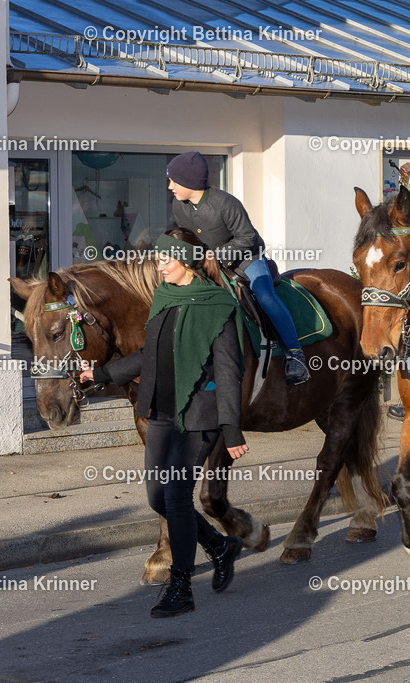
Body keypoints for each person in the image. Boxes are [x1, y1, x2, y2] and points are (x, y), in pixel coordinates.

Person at [80, 230, 248, 618]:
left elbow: (228, 370)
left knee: (175, 496)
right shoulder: (164, 297)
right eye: (157, 259)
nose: (158, 265)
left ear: (186, 261)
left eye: (165, 260)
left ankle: (182, 587)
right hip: (160, 412)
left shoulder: (218, 304)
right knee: (158, 497)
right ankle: (221, 547)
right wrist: (102, 374)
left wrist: (232, 429)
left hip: (199, 415)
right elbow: (147, 355)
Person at [166, 151, 309, 385]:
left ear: (190, 181)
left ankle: (296, 355)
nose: (170, 186)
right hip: (207, 262)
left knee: (264, 296)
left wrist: (215, 256)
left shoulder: (225, 203)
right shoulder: (178, 205)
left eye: (174, 180)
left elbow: (247, 238)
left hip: (247, 258)